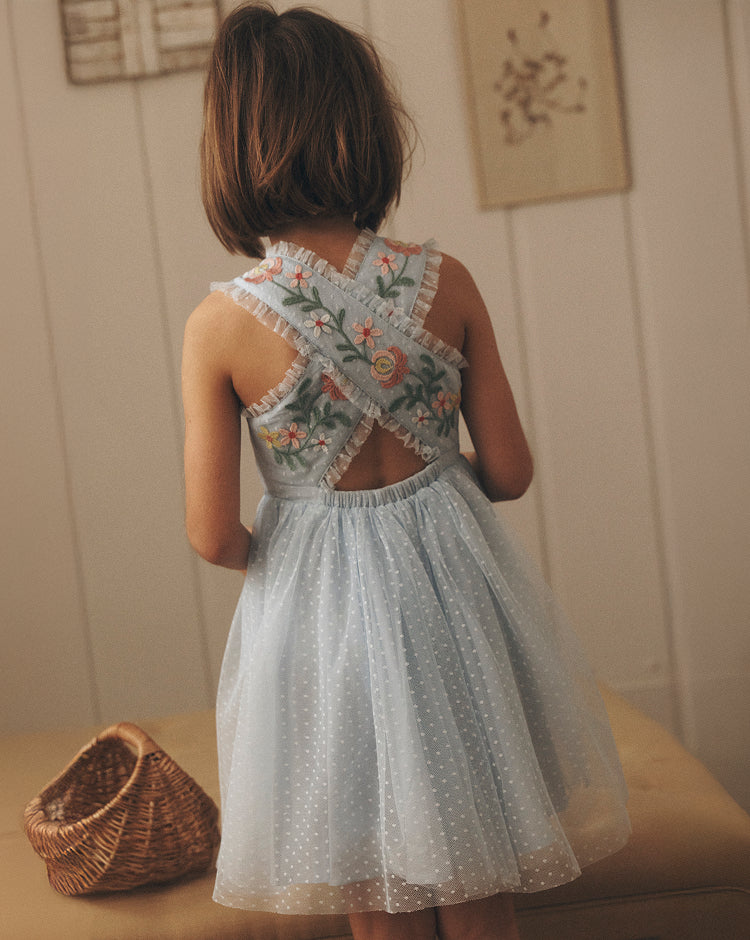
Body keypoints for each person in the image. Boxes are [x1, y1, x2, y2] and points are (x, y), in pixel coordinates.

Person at [182, 4, 631, 938]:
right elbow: (507, 471)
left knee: (373, 884)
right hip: (457, 606)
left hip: (324, 622)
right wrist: (425, 489)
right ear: (367, 131)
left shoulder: (222, 326)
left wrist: (304, 533)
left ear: (231, 145)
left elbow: (213, 534)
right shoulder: (447, 282)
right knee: (479, 872)